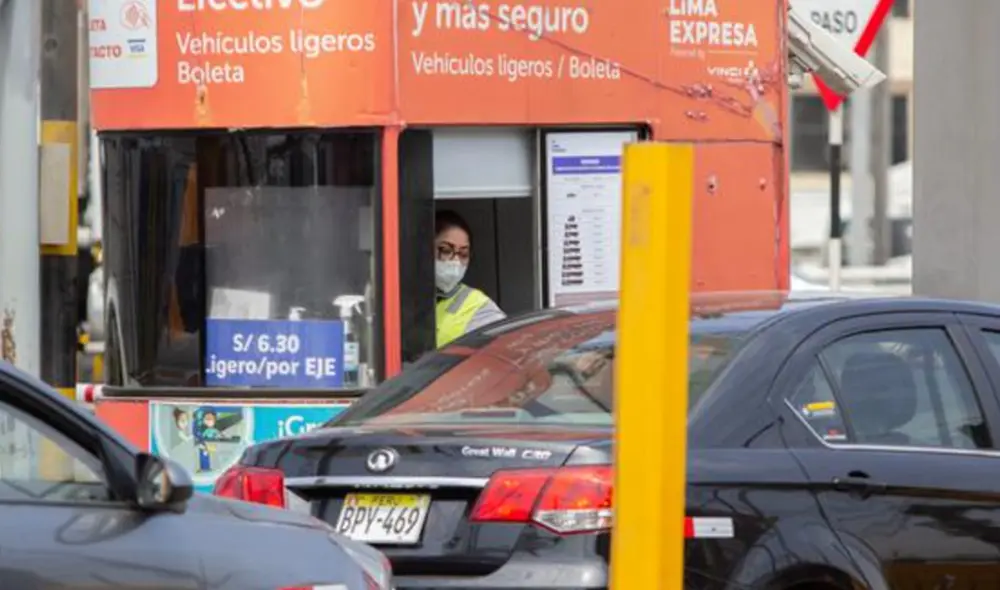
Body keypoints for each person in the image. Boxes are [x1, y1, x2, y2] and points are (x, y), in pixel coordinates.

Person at [435, 210, 506, 347]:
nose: (455, 262)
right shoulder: (400, 299)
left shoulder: (481, 309)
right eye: (446, 250)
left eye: (463, 254)